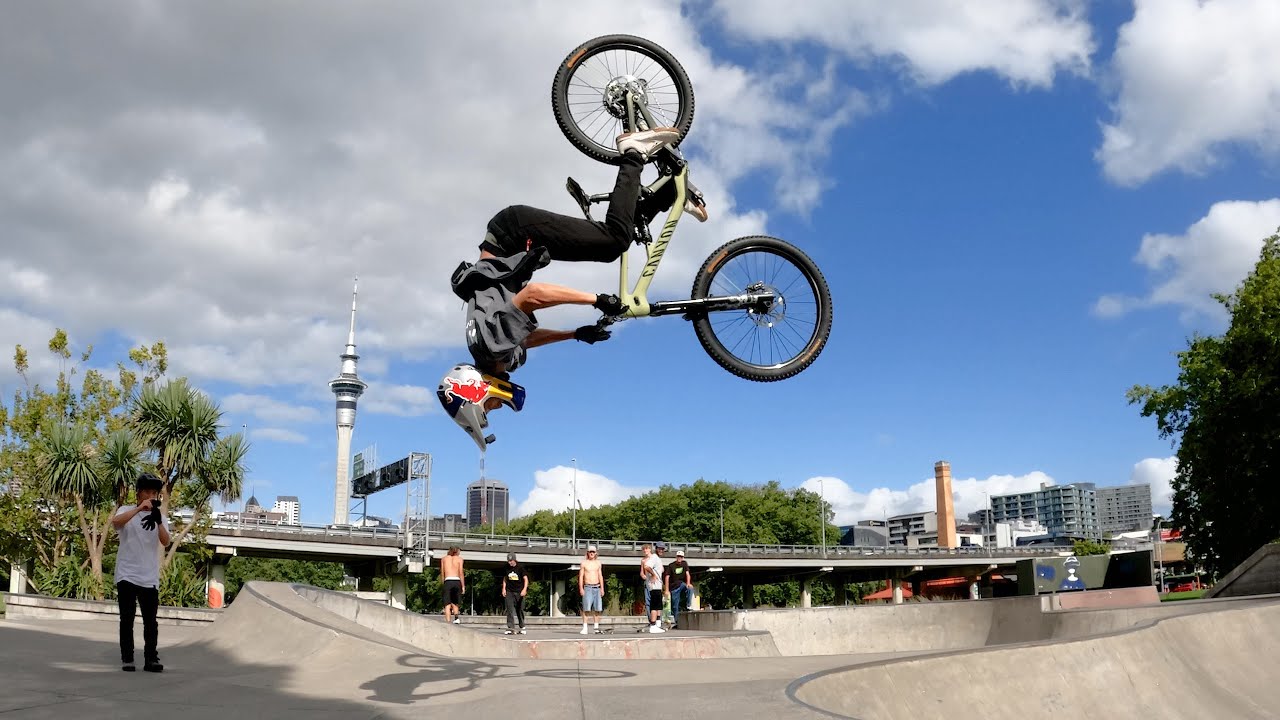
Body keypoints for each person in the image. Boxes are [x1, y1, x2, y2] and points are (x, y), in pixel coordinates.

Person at [440, 127, 707, 450]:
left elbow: (531, 297)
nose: (498, 406)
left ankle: (633, 152)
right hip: (507, 238)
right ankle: (670, 194)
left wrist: (596, 300)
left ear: (476, 390)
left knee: (612, 242)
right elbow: (527, 337)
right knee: (611, 242)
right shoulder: (498, 355)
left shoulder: (492, 349)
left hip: (512, 234)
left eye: (489, 407)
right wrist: (575, 334)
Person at [111, 472, 170, 672]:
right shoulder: (127, 510)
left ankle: (151, 658)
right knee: (127, 618)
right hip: (127, 573)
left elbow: (165, 541)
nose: (151, 496)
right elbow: (116, 523)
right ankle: (127, 657)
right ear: (138, 493)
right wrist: (138, 510)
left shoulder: (160, 516)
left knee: (150, 622)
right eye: (147, 492)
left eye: (155, 493)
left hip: (149, 576)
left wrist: (158, 520)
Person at [664, 549, 694, 630]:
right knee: (674, 606)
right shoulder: (671, 565)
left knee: (690, 588)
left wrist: (688, 583)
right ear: (676, 557)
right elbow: (667, 577)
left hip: (681, 584)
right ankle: (677, 622)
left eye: (681, 557)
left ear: (683, 557)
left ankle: (688, 604)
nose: (679, 558)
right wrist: (666, 590)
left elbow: (687, 574)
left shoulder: (684, 564)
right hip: (673, 587)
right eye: (678, 557)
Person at [578, 545, 605, 635]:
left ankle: (596, 627)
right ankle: (585, 627)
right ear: (588, 553)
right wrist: (581, 588)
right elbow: (581, 576)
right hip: (588, 587)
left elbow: (600, 576)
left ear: (595, 553)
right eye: (590, 552)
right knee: (586, 609)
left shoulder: (598, 563)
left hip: (597, 587)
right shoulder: (584, 563)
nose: (592, 553)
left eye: (593, 552)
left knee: (597, 609)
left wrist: (602, 588)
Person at [640, 544, 665, 633]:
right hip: (654, 585)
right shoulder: (654, 557)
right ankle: (653, 625)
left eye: (663, 549)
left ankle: (657, 624)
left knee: (658, 605)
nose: (661, 551)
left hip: (657, 585)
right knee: (654, 605)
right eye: (660, 549)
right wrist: (653, 575)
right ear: (655, 549)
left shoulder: (656, 559)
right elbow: (647, 566)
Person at [501, 553, 529, 635]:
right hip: (509, 591)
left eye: (511, 561)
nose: (510, 563)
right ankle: (510, 628)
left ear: (515, 560)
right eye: (509, 561)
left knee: (519, 609)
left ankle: (522, 626)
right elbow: (505, 578)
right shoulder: (506, 568)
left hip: (519, 592)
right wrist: (503, 589)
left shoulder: (520, 568)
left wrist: (524, 589)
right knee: (509, 609)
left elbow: (526, 579)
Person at [441, 547, 465, 624]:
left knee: (447, 603)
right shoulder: (460, 559)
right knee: (455, 601)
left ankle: (448, 621)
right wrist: (463, 586)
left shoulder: (444, 559)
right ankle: (456, 618)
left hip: (448, 580)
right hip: (457, 580)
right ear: (457, 551)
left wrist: (443, 583)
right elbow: (461, 573)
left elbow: (442, 573)